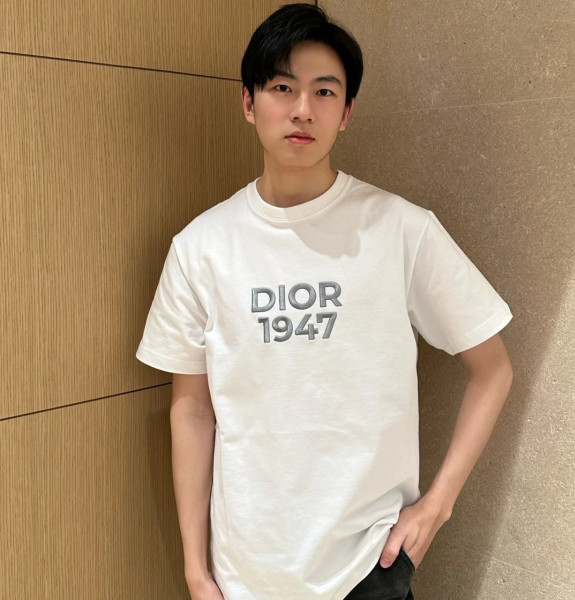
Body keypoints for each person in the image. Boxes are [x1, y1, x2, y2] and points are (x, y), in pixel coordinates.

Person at [136, 3, 514, 599]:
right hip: (244, 576)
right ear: (248, 102)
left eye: (324, 91)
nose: (303, 109)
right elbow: (192, 409)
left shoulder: (402, 230)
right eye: (282, 87)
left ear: (347, 113)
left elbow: (492, 368)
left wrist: (437, 506)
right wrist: (195, 568)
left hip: (369, 567)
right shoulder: (200, 247)